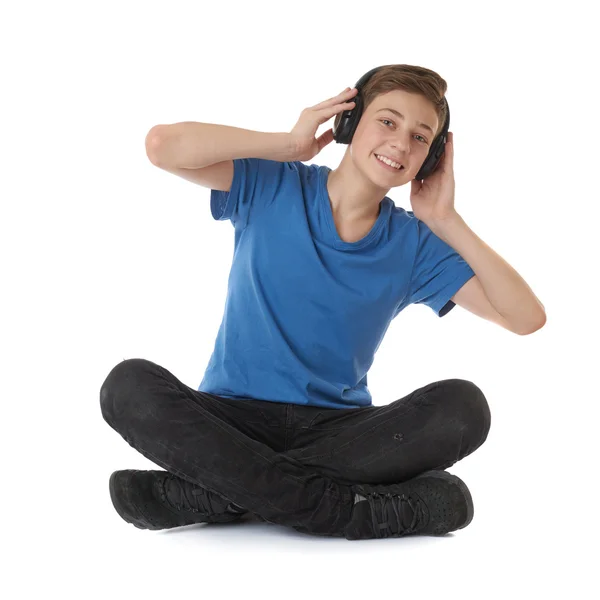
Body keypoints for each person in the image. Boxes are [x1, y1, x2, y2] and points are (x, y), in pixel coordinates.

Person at [100, 64, 546, 540]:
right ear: (350, 124)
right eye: (388, 122)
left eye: (421, 138)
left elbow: (526, 318)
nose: (400, 143)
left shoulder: (414, 244)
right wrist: (286, 144)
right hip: (230, 422)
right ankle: (342, 510)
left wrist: (446, 219)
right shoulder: (274, 184)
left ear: (431, 157)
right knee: (127, 386)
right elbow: (162, 147)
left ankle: (214, 494)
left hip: (339, 433)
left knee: (465, 407)